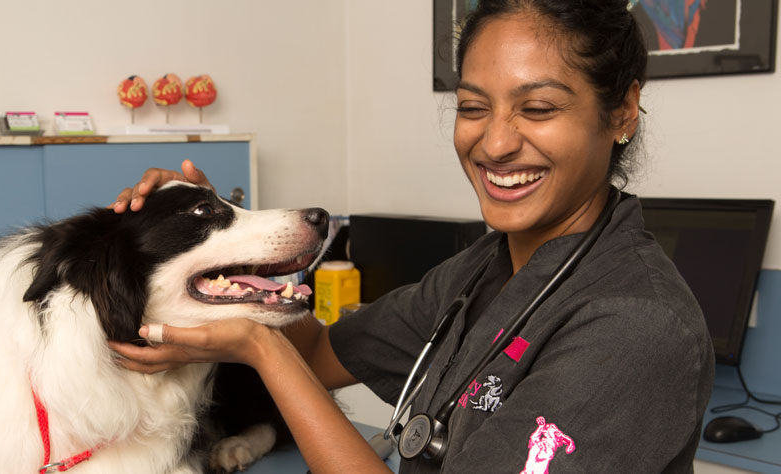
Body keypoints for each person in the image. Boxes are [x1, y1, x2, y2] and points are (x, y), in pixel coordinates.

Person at [108, 1, 714, 472]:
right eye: (474, 107)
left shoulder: (637, 325)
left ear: (623, 112)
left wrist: (259, 346)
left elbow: (284, 357)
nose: (496, 142)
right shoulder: (483, 271)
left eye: (538, 109)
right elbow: (317, 356)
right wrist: (229, 254)